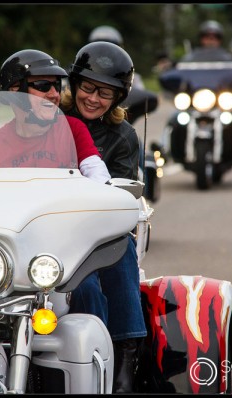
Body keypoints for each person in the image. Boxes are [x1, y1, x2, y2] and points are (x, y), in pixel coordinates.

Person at [60, 41, 146, 393]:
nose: (94, 98)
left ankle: (124, 352)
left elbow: (120, 200)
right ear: (75, 83)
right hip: (45, 225)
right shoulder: (52, 120)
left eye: (106, 93)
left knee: (115, 249)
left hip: (98, 227)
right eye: (88, 87)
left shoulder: (123, 136)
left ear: (119, 98)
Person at [0, 49, 110, 184]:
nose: (55, 94)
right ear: (15, 92)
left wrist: (104, 190)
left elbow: (96, 171)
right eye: (43, 85)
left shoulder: (72, 129)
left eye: (57, 86)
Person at [179, 20, 232, 148]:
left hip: (220, 99)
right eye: (207, 37)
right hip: (196, 100)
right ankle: (163, 146)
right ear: (201, 39)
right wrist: (167, 65)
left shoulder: (228, 56)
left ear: (219, 39)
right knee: (176, 115)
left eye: (214, 37)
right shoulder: (191, 57)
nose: (210, 40)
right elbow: (177, 68)